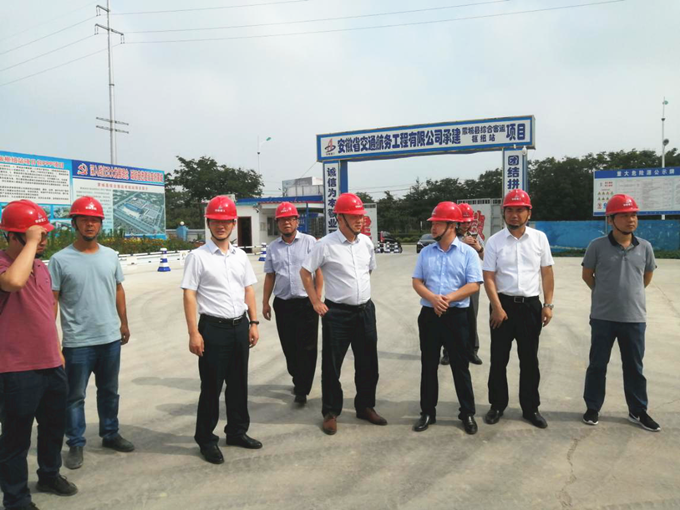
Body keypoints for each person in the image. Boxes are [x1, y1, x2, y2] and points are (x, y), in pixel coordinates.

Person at [0, 200, 78, 509]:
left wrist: (56, 349)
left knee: (53, 428)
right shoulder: (4, 265)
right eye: (36, 235)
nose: (44, 240)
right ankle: (16, 498)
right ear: (13, 236)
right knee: (16, 438)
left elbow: (46, 311)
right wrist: (31, 243)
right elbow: (13, 282)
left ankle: (49, 474)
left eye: (45, 235)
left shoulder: (41, 267)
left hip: (51, 364)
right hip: (17, 369)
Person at [49, 196, 134, 471]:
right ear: (74, 223)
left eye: (95, 220)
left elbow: (118, 289)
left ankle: (110, 434)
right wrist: (52, 340)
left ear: (100, 224)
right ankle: (75, 442)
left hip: (109, 338)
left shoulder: (110, 256)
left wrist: (124, 323)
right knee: (74, 396)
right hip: (78, 342)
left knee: (109, 391)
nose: (90, 224)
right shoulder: (60, 260)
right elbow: (52, 301)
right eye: (84, 219)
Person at [181, 195, 262, 464]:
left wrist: (253, 322)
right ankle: (206, 439)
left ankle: (237, 432)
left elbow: (248, 289)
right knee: (211, 387)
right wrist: (193, 333)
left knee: (238, 384)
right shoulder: (198, 257)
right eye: (216, 221)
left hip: (240, 326)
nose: (221, 226)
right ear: (208, 223)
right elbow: (189, 294)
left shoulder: (240, 256)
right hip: (213, 329)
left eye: (226, 221)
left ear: (233, 224)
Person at [300, 193, 387, 435]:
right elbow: (305, 272)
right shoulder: (325, 245)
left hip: (365, 311)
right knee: (332, 365)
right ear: (340, 218)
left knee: (368, 363)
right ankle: (330, 412)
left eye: (361, 216)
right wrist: (315, 301)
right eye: (354, 216)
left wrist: (358, 293)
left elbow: (368, 271)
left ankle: (365, 406)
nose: (360, 220)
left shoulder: (366, 243)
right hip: (337, 313)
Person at [581, 194, 660, 432]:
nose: (631, 219)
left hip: (634, 318)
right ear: (611, 219)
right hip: (603, 317)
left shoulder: (645, 247)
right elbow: (587, 275)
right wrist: (604, 294)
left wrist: (628, 295)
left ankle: (638, 410)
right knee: (597, 365)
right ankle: (592, 407)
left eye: (633, 215)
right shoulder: (597, 246)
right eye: (624, 215)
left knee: (634, 367)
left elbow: (646, 277)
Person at [482, 189, 554, 429]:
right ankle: (497, 405)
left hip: (531, 307)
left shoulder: (539, 239)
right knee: (498, 359)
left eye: (520, 210)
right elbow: (488, 276)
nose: (514, 214)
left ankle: (530, 408)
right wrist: (496, 307)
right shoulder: (494, 241)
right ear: (503, 212)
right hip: (501, 306)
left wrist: (548, 304)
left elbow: (547, 273)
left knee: (530, 360)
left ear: (528, 213)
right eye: (510, 210)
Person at [412, 202, 483, 435]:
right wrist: (433, 298)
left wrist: (448, 298)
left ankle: (467, 413)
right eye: (432, 223)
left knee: (460, 367)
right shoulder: (426, 252)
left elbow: (474, 284)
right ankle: (427, 412)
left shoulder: (468, 253)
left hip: (457, 317)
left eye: (438, 223)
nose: (433, 227)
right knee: (428, 365)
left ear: (452, 225)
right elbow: (417, 281)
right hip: (430, 316)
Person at [262, 202, 323, 405]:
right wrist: (265, 302)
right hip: (283, 304)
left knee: (308, 347)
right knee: (289, 346)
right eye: (282, 220)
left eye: (290, 219)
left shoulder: (309, 242)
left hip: (307, 304)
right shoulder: (273, 248)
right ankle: (297, 377)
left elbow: (318, 271)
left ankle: (302, 389)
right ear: (277, 223)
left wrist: (317, 298)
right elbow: (270, 276)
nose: (286, 223)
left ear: (297, 221)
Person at [441, 202, 485, 366]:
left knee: (471, 317)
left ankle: (472, 351)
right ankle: (448, 352)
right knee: (450, 318)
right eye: (463, 222)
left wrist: (479, 248)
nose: (466, 225)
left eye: (469, 222)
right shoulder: (448, 236)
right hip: (453, 283)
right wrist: (462, 243)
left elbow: (485, 258)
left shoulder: (476, 237)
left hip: (471, 284)